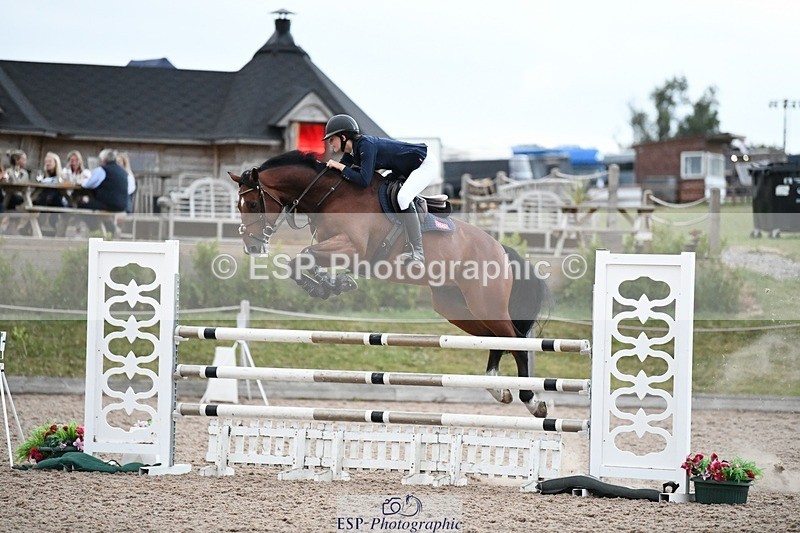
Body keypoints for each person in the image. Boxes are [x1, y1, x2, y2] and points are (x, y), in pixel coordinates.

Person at [322, 114, 429, 265]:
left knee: (403, 197)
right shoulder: (350, 153)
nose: (330, 144)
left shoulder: (366, 145)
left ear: (343, 136)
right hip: (403, 168)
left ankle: (418, 251)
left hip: (423, 163)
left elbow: (364, 180)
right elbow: (340, 174)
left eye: (331, 139)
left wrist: (340, 166)